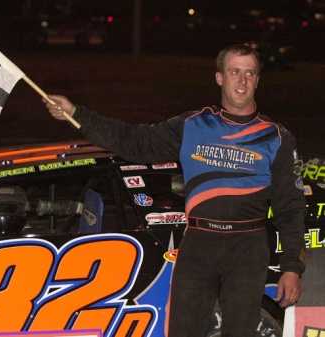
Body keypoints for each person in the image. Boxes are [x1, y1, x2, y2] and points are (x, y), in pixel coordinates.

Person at [42, 44, 306, 336]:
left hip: (248, 248)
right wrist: (77, 113)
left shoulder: (278, 138)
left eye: (249, 73)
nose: (241, 81)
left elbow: (291, 209)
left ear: (257, 80)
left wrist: (292, 268)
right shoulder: (193, 125)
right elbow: (134, 141)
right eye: (234, 72)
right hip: (198, 245)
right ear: (219, 77)